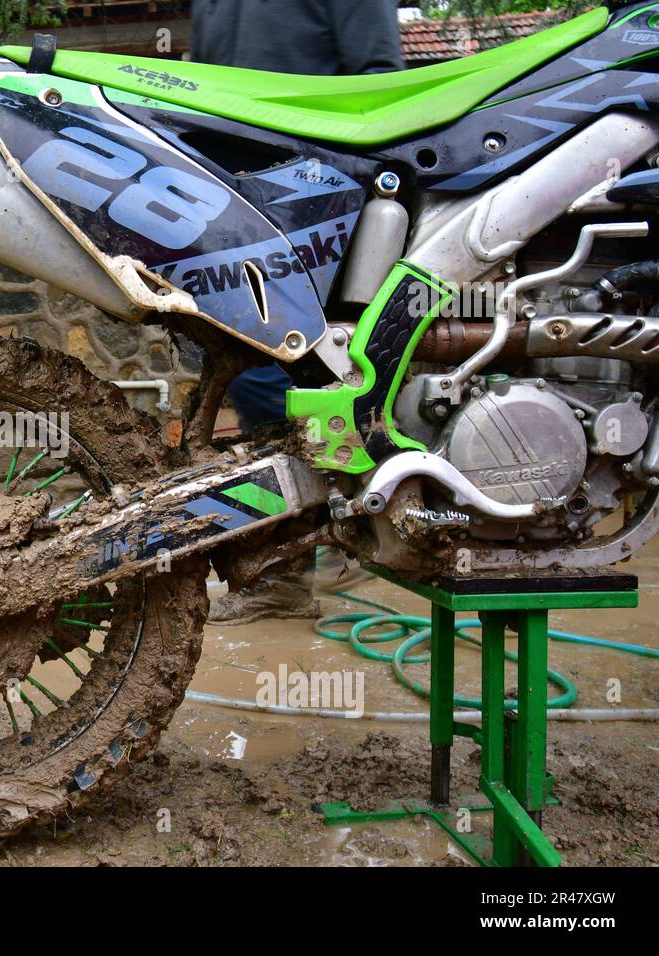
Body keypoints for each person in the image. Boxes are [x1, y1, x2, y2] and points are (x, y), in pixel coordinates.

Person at [193, 0, 403, 623]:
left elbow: (379, 77)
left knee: (283, 372)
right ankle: (314, 538)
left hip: (315, 190)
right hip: (236, 194)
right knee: (243, 365)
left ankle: (316, 539)